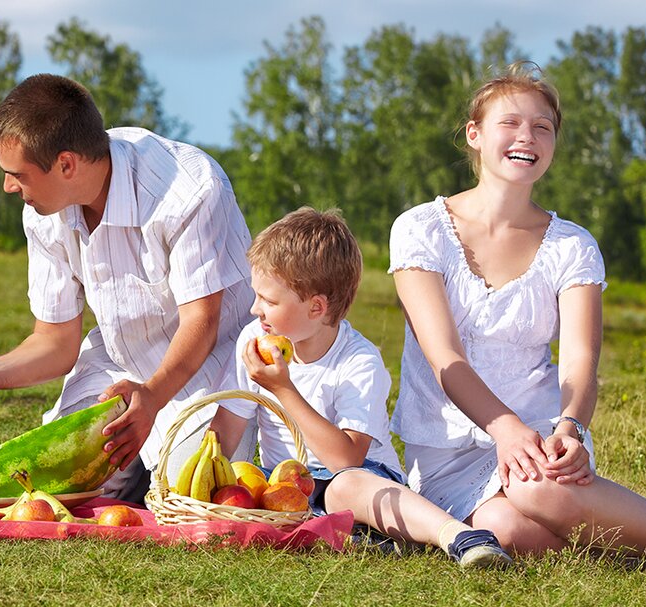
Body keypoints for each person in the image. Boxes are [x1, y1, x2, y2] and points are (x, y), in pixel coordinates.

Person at [0, 74, 254, 502]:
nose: (7, 187)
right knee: (48, 490)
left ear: (67, 164)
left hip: (211, 366)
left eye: (16, 175)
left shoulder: (190, 190)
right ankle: (129, 479)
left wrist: (150, 398)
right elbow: (55, 341)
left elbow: (202, 323)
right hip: (117, 365)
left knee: (190, 497)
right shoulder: (42, 210)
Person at [390, 61, 646, 559]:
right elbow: (444, 357)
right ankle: (603, 528)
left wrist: (570, 429)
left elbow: (580, 362)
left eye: (543, 127)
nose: (527, 137)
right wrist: (504, 430)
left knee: (536, 490)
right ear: (474, 134)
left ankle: (609, 522)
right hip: (449, 450)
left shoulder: (573, 245)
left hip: (542, 438)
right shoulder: (419, 230)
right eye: (510, 123)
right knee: (508, 531)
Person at [209, 207, 512, 568]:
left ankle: (458, 535)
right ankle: (366, 539)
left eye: (269, 301)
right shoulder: (255, 342)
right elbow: (227, 429)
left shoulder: (358, 362)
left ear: (316, 307)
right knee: (256, 498)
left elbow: (346, 459)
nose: (254, 309)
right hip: (289, 491)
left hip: (360, 478)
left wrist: (284, 390)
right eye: (257, 296)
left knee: (343, 488)